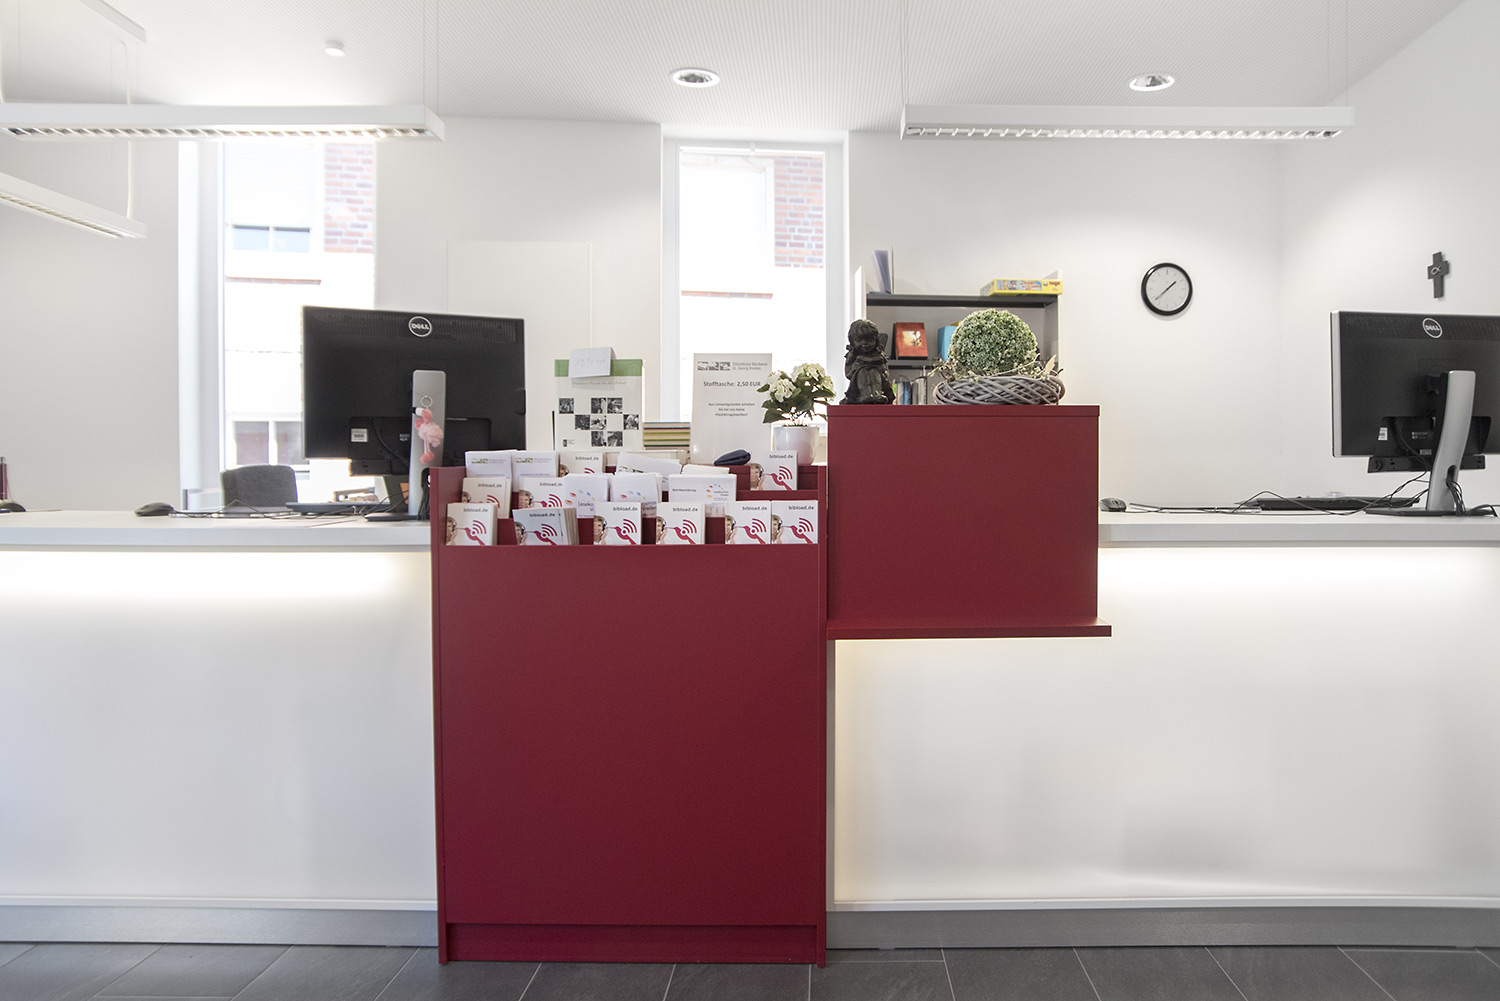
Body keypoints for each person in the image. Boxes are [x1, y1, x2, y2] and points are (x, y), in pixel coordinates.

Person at [842, 319, 895, 405]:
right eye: (859, 340)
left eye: (869, 339)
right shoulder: (852, 356)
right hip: (859, 379)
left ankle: (877, 393)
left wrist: (881, 369)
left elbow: (885, 373)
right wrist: (855, 368)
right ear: (852, 341)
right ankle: (865, 394)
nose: (864, 343)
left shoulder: (879, 354)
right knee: (862, 371)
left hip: (877, 378)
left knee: (874, 371)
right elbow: (848, 373)